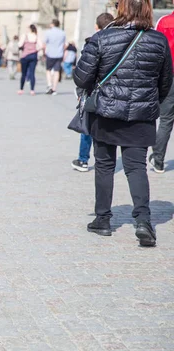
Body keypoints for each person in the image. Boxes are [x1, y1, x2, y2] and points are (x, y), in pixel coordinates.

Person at [73, 0, 172, 247]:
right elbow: (165, 82)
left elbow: (81, 77)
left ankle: (103, 220)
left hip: (106, 113)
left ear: (121, 9)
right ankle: (143, 221)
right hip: (141, 115)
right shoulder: (158, 41)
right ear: (148, 9)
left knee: (105, 166)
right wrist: (147, 102)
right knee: (136, 168)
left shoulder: (102, 38)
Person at [71, 12, 114, 173]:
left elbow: (84, 72)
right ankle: (105, 159)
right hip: (112, 92)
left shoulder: (92, 43)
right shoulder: (118, 43)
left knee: (87, 126)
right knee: (106, 126)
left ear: (96, 27)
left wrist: (80, 92)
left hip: (92, 92)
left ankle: (83, 160)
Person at [151, 4, 174, 174]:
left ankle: (158, 160)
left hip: (169, 75)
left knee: (166, 120)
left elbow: (157, 49)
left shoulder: (164, 21)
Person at [44, 19, 67, 95]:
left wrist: (44, 52)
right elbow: (64, 45)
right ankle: (54, 89)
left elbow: (44, 44)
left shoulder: (48, 32)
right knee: (57, 71)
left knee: (48, 70)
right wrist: (64, 54)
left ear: (52, 24)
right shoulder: (62, 33)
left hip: (50, 54)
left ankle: (49, 85)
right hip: (59, 54)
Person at [18, 25, 41, 95]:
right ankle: (32, 90)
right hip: (33, 55)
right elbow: (41, 45)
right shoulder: (36, 36)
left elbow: (19, 44)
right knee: (32, 73)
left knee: (23, 73)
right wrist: (36, 50)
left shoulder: (25, 36)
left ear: (30, 29)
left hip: (25, 55)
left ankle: (21, 89)